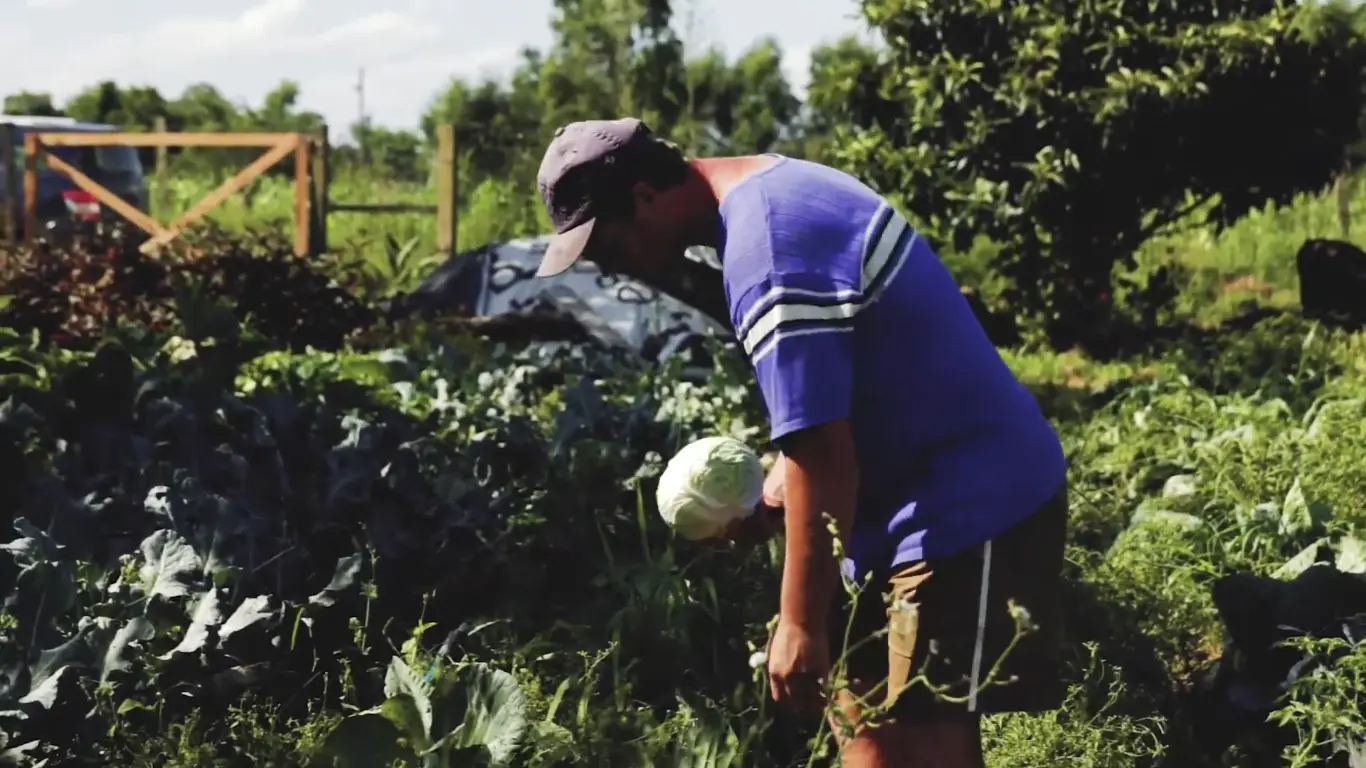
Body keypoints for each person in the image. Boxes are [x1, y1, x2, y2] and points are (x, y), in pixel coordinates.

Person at [531, 117, 1071, 768]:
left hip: (966, 505)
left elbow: (822, 454)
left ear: (644, 196)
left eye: (607, 246)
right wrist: (779, 495)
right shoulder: (770, 193)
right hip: (911, 496)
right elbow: (834, 410)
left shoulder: (769, 254)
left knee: (921, 746)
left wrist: (799, 622)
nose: (611, 266)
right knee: (861, 723)